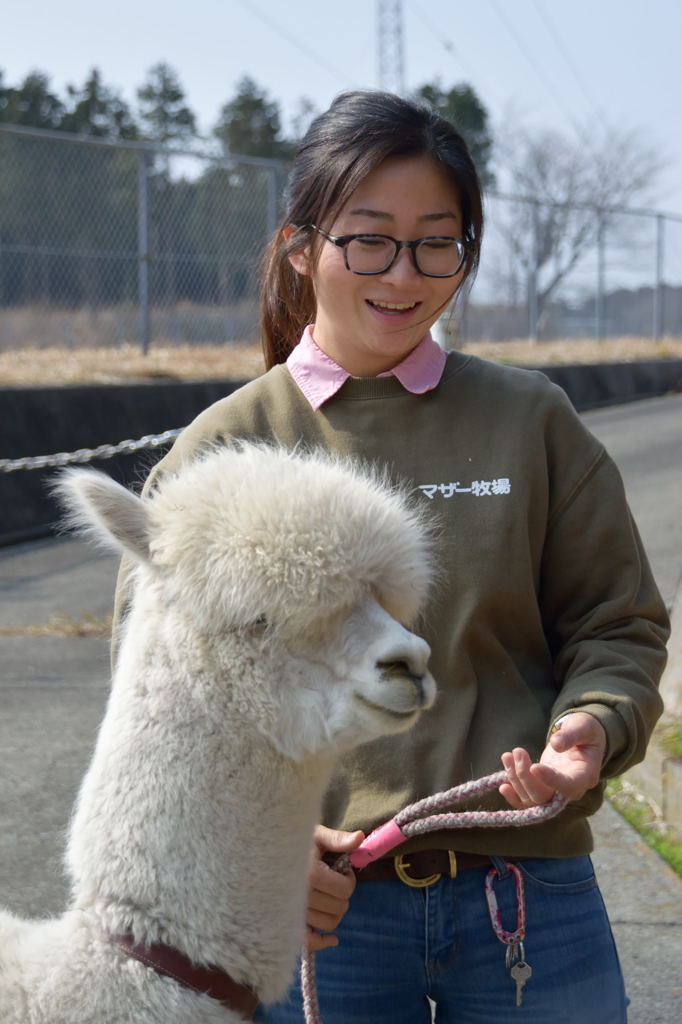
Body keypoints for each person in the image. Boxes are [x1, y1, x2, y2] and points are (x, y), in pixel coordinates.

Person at [112, 91, 669, 1022]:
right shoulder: (225, 447)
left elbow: (617, 625)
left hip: (528, 900)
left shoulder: (532, 421)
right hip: (313, 917)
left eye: (436, 243)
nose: (403, 274)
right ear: (302, 244)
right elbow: (162, 702)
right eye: (368, 238)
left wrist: (593, 730)